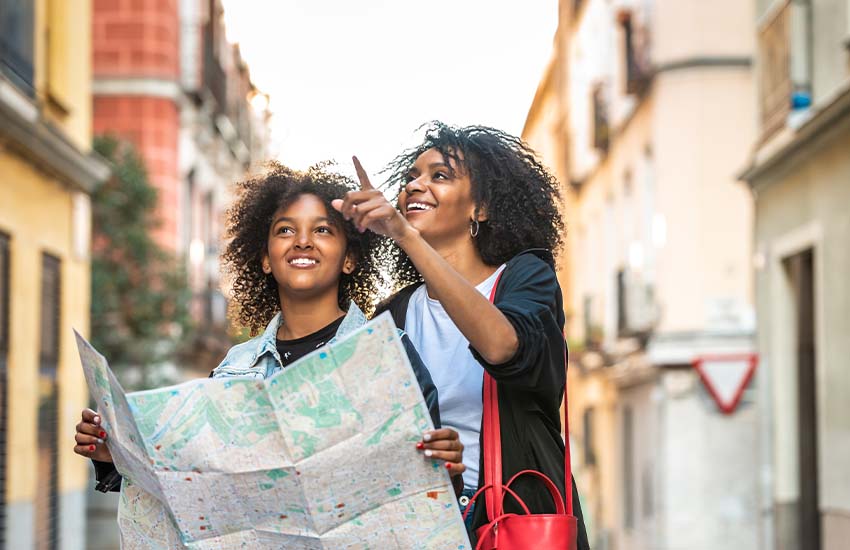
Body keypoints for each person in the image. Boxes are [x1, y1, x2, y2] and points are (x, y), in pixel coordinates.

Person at [74, 162, 464, 494]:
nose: (303, 242)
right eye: (285, 230)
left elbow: (422, 494)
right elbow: (195, 483)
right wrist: (116, 458)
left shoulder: (389, 353)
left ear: (349, 260)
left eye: (323, 230)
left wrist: (445, 468)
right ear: (265, 260)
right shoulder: (233, 367)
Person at [334, 122, 590, 547]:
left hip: (508, 525)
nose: (416, 185)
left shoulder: (525, 278)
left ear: (482, 208)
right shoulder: (393, 316)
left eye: (440, 175)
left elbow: (502, 344)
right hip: (421, 531)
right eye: (412, 177)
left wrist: (405, 235)